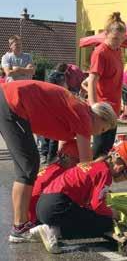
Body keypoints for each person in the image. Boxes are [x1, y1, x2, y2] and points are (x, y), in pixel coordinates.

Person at [0, 80, 117, 243]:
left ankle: (23, 222)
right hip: (13, 101)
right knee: (27, 167)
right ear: (98, 117)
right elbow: (86, 166)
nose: (99, 133)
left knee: (28, 165)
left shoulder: (75, 118)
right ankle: (20, 228)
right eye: (103, 129)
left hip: (11, 99)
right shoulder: (84, 117)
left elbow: (63, 154)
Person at [34, 140, 127, 254]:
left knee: (89, 216)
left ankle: (48, 227)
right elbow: (97, 206)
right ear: (121, 164)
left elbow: (89, 202)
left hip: (45, 204)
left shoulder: (96, 166)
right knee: (105, 223)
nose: (126, 179)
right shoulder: (105, 173)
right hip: (56, 206)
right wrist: (113, 213)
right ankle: (55, 230)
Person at [85, 12, 126, 158]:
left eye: (121, 39)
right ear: (106, 34)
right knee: (99, 150)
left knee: (106, 151)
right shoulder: (100, 52)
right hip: (102, 108)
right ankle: (91, 179)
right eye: (115, 38)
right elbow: (92, 80)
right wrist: (93, 105)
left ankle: (101, 179)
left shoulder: (117, 50)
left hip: (113, 108)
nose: (118, 42)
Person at [29, 140, 80, 224]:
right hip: (37, 216)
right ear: (65, 156)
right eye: (77, 160)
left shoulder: (53, 167)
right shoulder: (64, 174)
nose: (79, 164)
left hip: (31, 213)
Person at [39, 71, 67, 165]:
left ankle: (46, 155)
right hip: (53, 118)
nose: (65, 83)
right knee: (52, 139)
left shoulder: (46, 90)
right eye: (63, 82)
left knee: (46, 137)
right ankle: (50, 158)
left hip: (46, 118)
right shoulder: (59, 91)